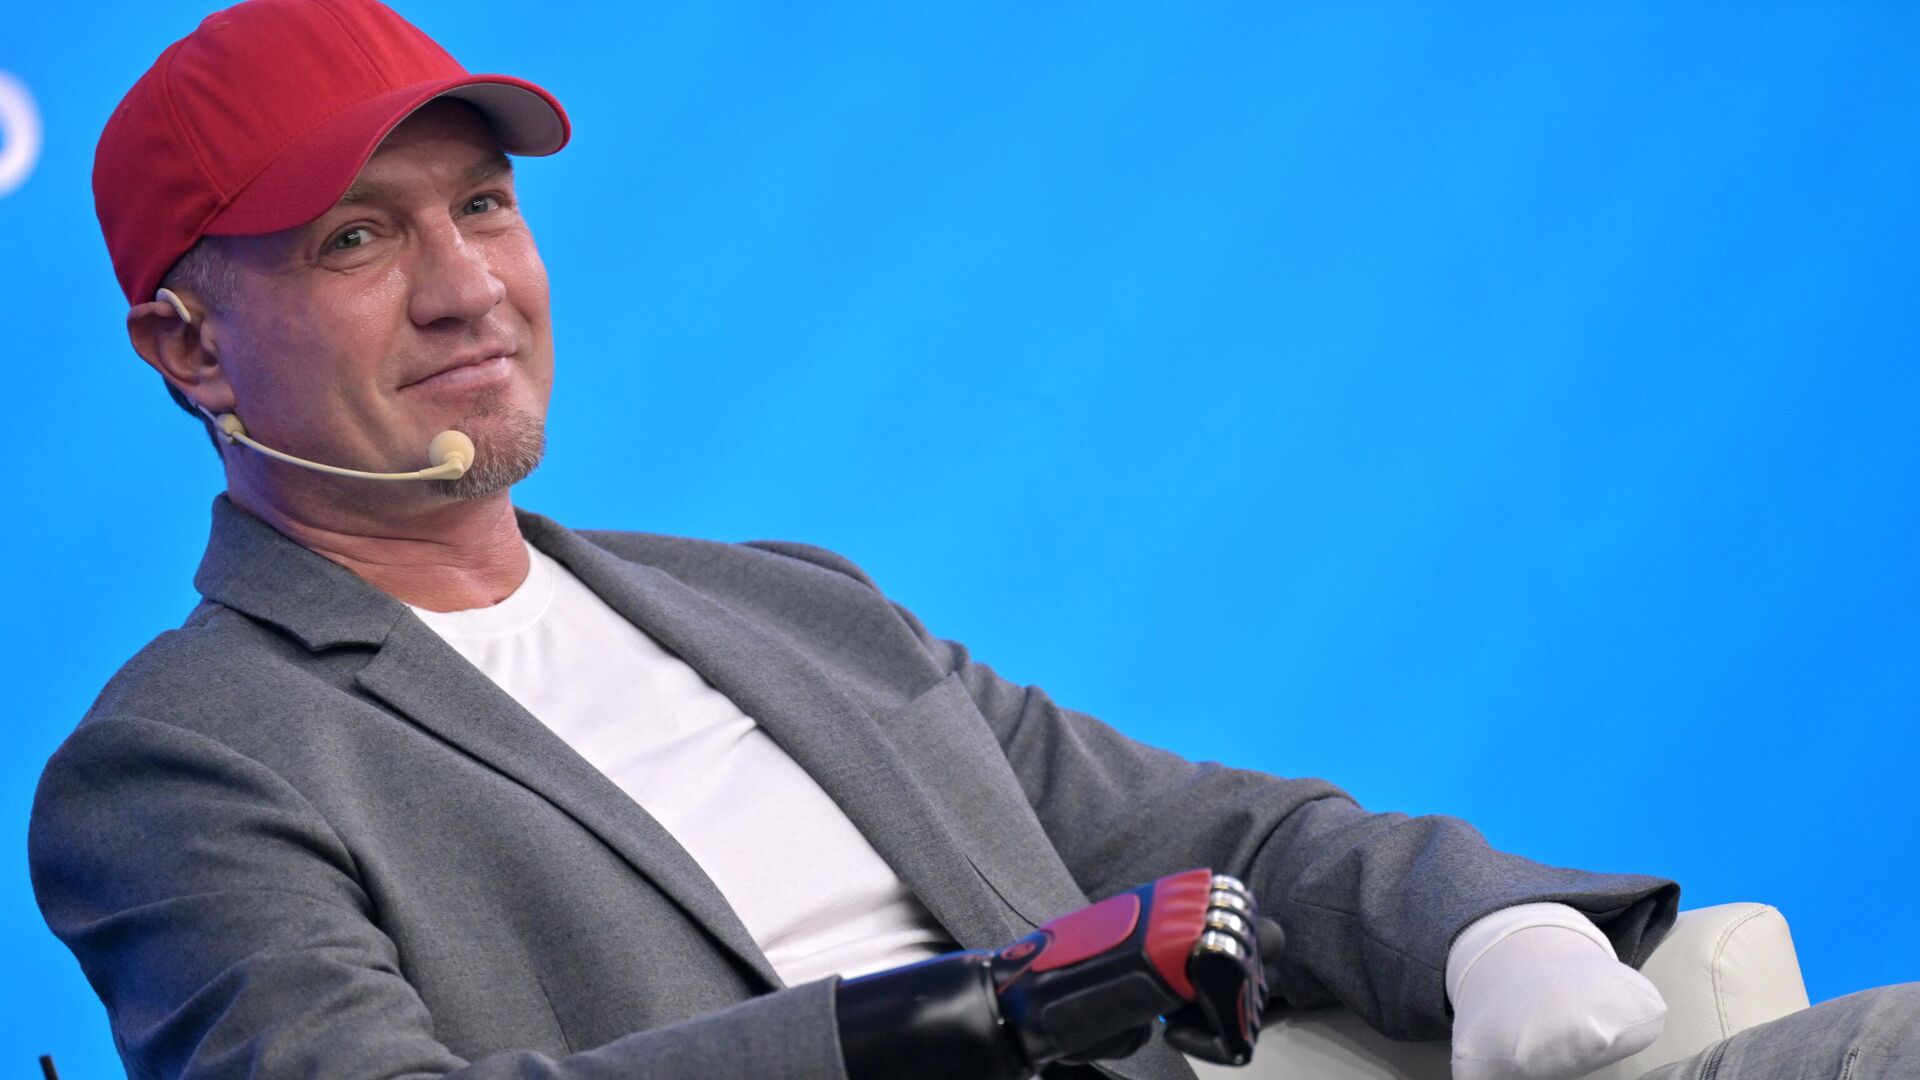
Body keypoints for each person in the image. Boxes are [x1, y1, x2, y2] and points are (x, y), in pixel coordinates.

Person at [30, 1, 1914, 1079]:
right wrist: (955, 1018)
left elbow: (1228, 839)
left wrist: (1488, 928)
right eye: (359, 239)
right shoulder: (185, 760)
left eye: (486, 207)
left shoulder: (787, 606)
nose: (468, 287)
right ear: (187, 347)